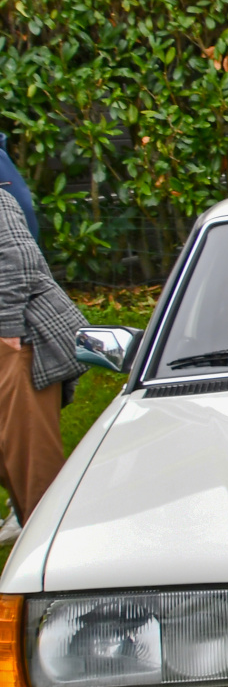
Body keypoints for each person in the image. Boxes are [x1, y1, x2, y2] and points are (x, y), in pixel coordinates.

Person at [0, 183, 83, 525]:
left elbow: (18, 256)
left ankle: (52, 547)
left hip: (15, 342)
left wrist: (7, 327)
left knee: (34, 470)